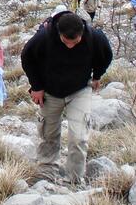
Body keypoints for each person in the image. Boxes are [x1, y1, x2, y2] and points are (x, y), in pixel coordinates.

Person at [20, 11, 112, 185]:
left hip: (79, 90)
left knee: (79, 137)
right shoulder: (45, 37)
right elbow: (27, 57)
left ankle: (74, 178)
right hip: (49, 91)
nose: (70, 46)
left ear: (82, 33)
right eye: (65, 41)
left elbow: (106, 55)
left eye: (75, 42)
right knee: (48, 133)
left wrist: (97, 75)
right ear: (58, 33)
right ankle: (47, 172)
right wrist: (36, 87)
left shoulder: (95, 38)